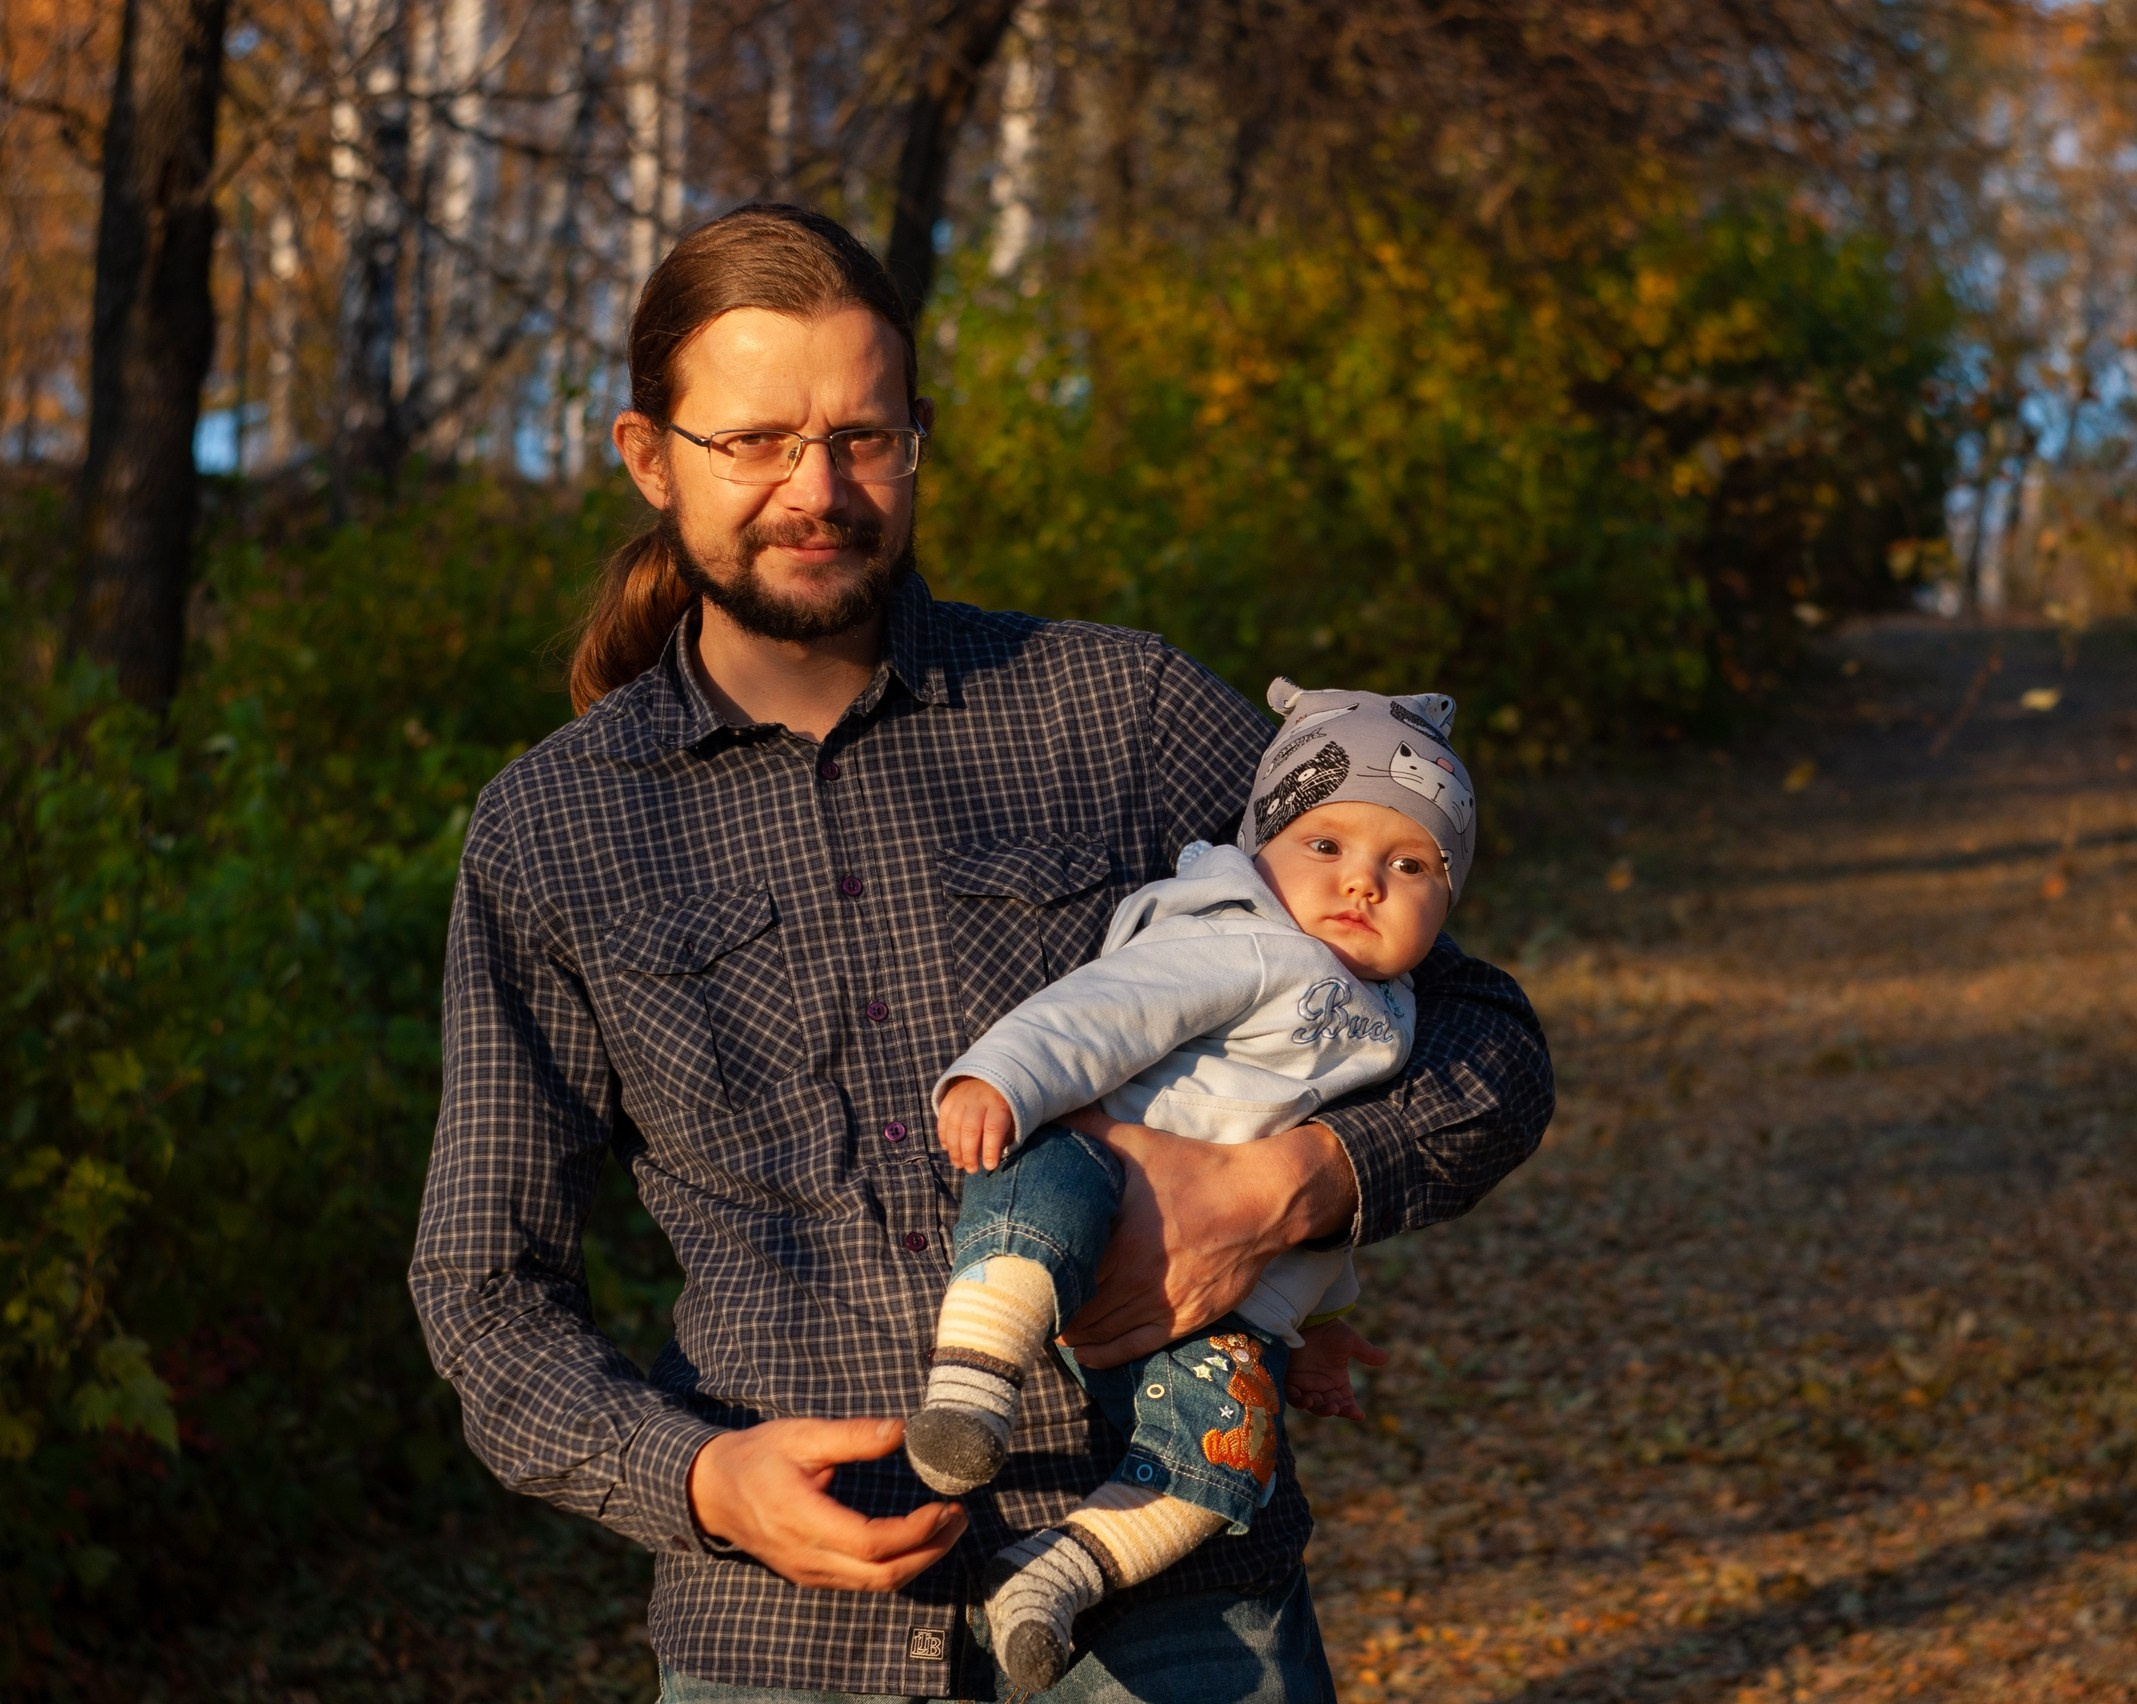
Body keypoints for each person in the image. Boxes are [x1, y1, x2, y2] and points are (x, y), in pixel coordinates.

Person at [406, 203, 1554, 1703]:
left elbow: (1488, 1040)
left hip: (1177, 1612)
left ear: (917, 438)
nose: (817, 492)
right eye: (754, 441)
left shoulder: (1118, 714)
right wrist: (695, 1481)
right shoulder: (552, 832)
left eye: (866, 438)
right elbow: (480, 1286)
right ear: (647, 455)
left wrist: (1288, 1188)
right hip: (781, 1645)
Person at [907, 681, 1475, 1689]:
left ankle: (1055, 1574)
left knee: (1228, 1453)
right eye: (1326, 847)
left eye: (1411, 864)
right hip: (1104, 1176)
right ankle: (972, 1386)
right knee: (1043, 1178)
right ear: (1262, 850)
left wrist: (1305, 1322)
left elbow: (1310, 1179)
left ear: (1451, 895)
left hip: (1206, 1299)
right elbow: (1103, 1011)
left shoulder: (1393, 1012)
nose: (1363, 884)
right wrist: (1001, 1075)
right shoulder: (1243, 940)